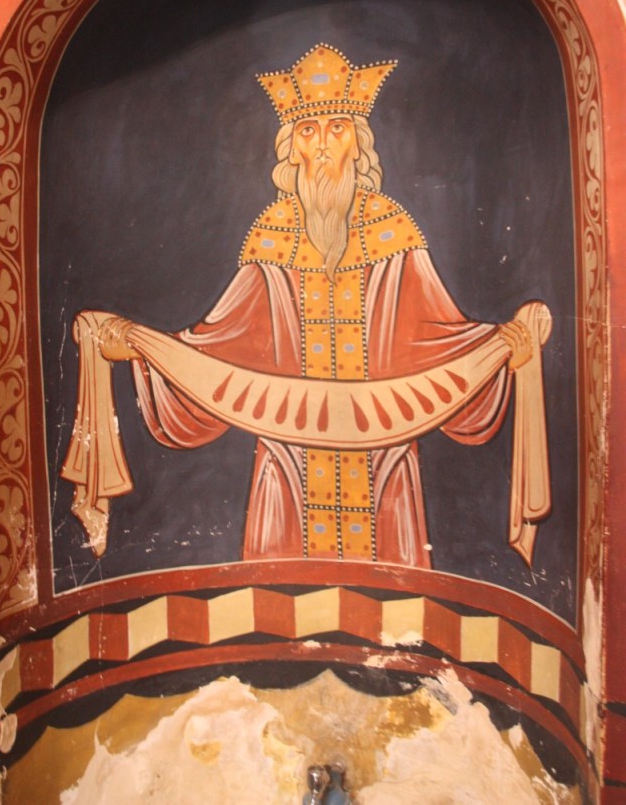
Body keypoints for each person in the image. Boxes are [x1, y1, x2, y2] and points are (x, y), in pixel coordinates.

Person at [67, 43, 543, 566]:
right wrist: (140, 347)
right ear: (291, 147)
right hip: (288, 451)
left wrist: (503, 343)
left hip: (383, 452)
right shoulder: (273, 234)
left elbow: (439, 334)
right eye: (309, 131)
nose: (322, 146)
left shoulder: (392, 230)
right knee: (278, 592)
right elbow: (220, 345)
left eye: (337, 129)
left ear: (359, 143)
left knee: (393, 590)